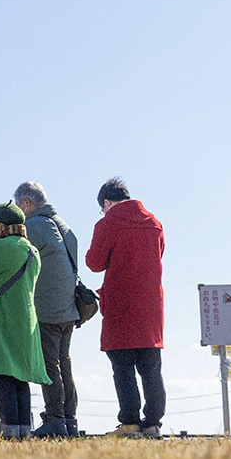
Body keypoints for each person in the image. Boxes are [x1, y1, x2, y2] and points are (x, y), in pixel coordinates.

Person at [85, 177, 166, 439]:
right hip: (150, 305)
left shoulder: (108, 223)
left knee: (122, 366)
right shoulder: (154, 223)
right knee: (151, 367)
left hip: (121, 302)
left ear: (107, 202)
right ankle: (153, 424)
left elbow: (94, 263)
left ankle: (130, 423)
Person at [0, 203, 50, 439]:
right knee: (20, 378)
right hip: (26, 321)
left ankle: (8, 431)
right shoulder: (32, 251)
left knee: (2, 376)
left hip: (2, 319)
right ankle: (24, 431)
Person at [14, 181, 81, 438]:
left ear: (26, 203)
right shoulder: (62, 224)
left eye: (18, 205)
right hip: (69, 307)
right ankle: (69, 421)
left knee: (49, 365)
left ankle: (55, 421)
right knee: (64, 363)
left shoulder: (32, 227)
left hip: (47, 308)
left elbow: (16, 258)